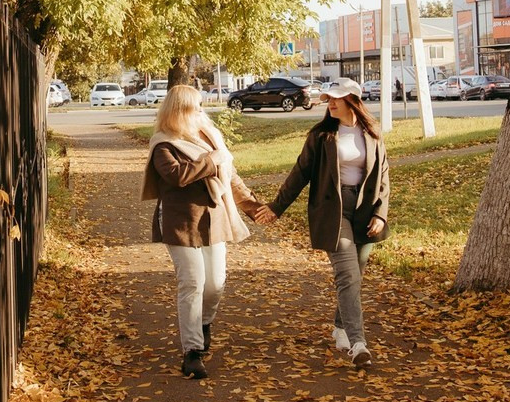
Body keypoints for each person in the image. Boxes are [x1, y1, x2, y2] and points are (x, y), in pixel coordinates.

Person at [253, 77, 389, 368]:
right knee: (348, 275)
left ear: (353, 100)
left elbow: (384, 176)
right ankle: (358, 343)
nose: (331, 103)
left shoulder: (372, 133)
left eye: (336, 98)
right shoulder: (322, 136)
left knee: (355, 275)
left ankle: (340, 327)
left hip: (364, 212)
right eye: (328, 98)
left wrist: (381, 213)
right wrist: (277, 207)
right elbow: (299, 174)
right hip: (332, 211)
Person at [143, 84, 264, 379]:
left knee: (216, 284)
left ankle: (203, 322)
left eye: (201, 106)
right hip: (180, 221)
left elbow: (229, 175)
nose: (201, 112)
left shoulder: (209, 135)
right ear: (179, 111)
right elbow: (177, 175)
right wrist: (211, 160)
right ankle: (192, 351)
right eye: (195, 107)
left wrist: (251, 206)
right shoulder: (163, 144)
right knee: (193, 283)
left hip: (214, 218)